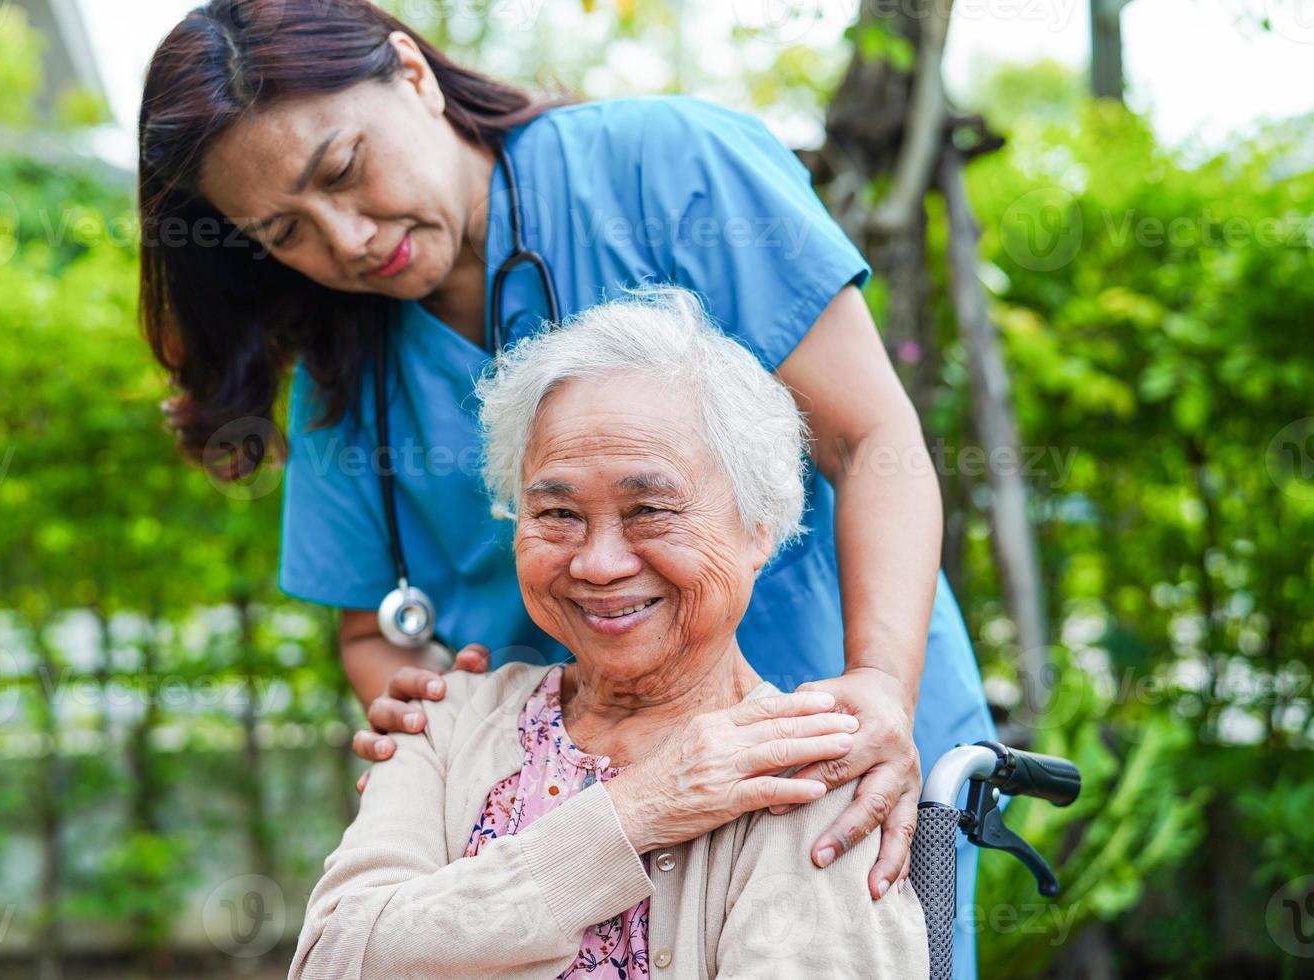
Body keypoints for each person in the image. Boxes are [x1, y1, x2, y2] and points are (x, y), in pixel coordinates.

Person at [136, 2, 996, 974]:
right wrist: (463, 754)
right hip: (560, 821)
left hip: (824, 722)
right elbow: (374, 624)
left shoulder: (668, 169)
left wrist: (878, 685)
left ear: (412, 74)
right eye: (283, 228)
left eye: (343, 170)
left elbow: (872, 438)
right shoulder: (346, 362)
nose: (346, 239)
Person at [286, 286, 929, 979]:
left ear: (760, 526)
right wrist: (630, 813)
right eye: (558, 513)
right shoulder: (445, 722)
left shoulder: (806, 769)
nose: (598, 563)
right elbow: (331, 959)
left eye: (650, 508)